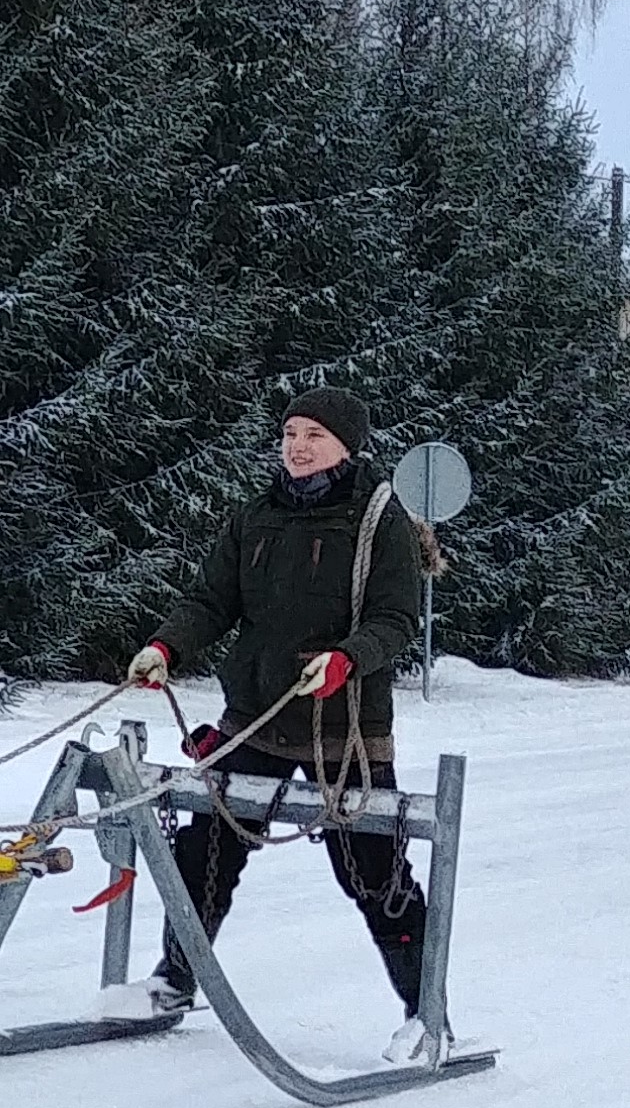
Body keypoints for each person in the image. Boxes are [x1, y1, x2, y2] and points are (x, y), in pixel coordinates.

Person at [128, 386, 435, 1054]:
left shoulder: (380, 520)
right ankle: (173, 981)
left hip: (344, 724)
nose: (297, 445)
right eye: (291, 432)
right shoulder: (256, 514)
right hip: (254, 717)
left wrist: (347, 660)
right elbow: (212, 599)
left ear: (348, 446)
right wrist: (166, 646)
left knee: (372, 874)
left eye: (314, 436)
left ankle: (425, 1011)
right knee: (204, 850)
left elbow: (395, 620)